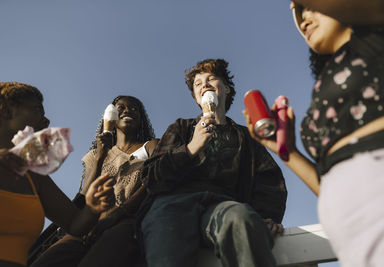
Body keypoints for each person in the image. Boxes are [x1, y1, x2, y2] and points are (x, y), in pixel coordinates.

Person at [243, 1, 384, 266]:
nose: (303, 20)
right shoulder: (325, 81)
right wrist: (289, 153)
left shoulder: (376, 37)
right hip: (356, 238)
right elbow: (329, 182)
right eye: (297, 14)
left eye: (309, 7)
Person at [139, 59, 287, 267]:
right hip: (173, 205)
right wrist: (190, 149)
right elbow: (152, 178)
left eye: (211, 79)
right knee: (165, 238)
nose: (204, 84)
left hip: (223, 205)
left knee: (242, 218)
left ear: (226, 89)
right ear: (197, 98)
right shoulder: (181, 128)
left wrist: (266, 216)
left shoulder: (246, 138)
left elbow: (269, 180)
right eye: (198, 83)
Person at [0, 82, 115, 267]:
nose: (46, 122)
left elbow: (74, 223)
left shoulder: (34, 176)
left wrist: (92, 208)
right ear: (5, 110)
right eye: (37, 110)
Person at [30, 95, 158, 267]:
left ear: (141, 118)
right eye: (121, 107)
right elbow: (85, 196)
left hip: (127, 219)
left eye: (135, 108)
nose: (128, 110)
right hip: (90, 223)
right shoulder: (95, 155)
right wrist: (100, 157)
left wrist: (117, 214)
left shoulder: (150, 146)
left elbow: (154, 180)